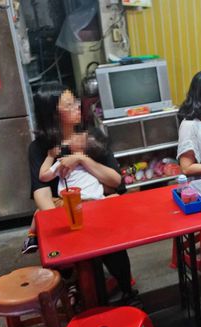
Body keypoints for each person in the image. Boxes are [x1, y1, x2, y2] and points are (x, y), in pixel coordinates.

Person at [24, 84, 138, 303]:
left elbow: (116, 180)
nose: (78, 106)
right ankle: (77, 289)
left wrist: (82, 159)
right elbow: (41, 194)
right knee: (69, 253)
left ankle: (126, 290)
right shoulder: (40, 148)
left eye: (76, 101)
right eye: (69, 104)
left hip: (97, 209)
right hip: (64, 217)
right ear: (53, 114)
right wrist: (65, 221)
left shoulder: (91, 138)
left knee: (111, 246)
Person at [39, 129, 105, 201]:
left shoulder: (65, 162)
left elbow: (43, 176)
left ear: (80, 148)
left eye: (77, 138)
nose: (73, 136)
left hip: (78, 201)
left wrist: (50, 156)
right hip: (99, 197)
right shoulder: (91, 163)